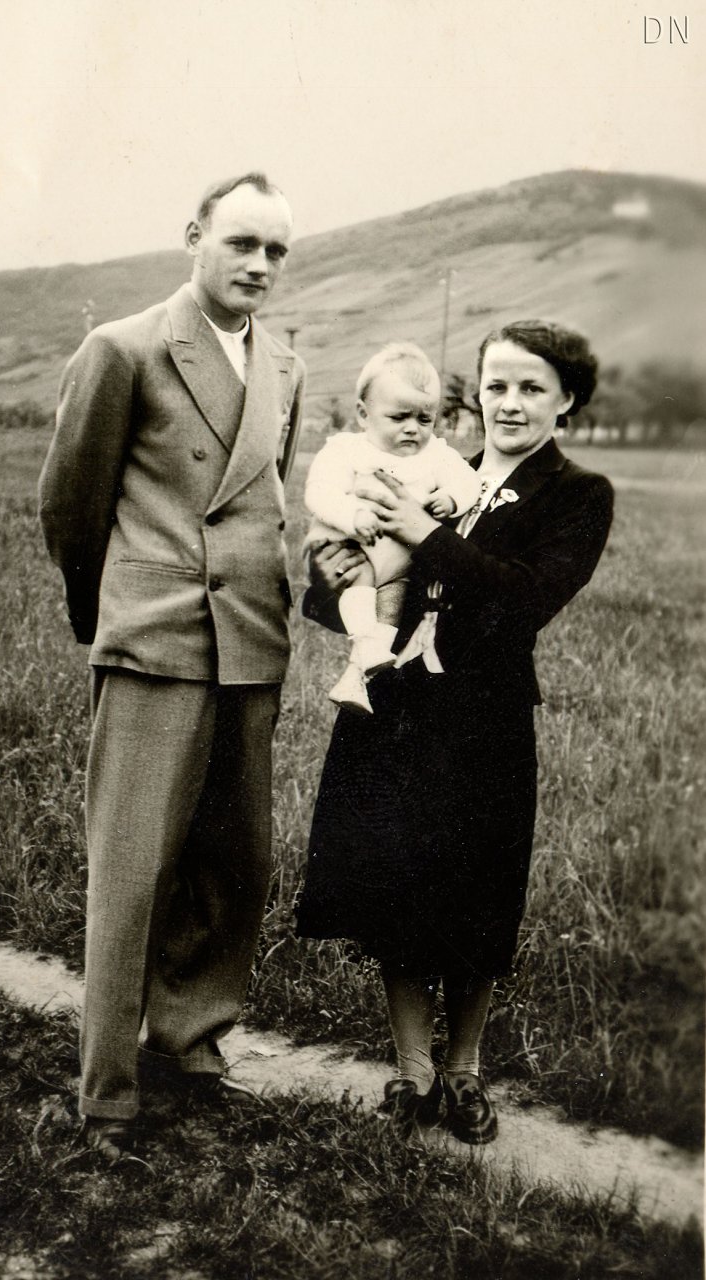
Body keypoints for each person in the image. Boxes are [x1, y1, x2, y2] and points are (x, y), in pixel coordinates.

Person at [38, 173, 305, 1162]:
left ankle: (189, 1040)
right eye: (242, 243)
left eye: (276, 251)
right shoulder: (125, 349)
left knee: (236, 861)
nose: (260, 265)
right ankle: (106, 1093)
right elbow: (71, 504)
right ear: (194, 235)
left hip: (250, 640)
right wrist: (110, 615)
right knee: (134, 870)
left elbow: (262, 503)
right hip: (157, 638)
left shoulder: (284, 363)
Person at [296, 320, 613, 1144]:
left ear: (567, 401)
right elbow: (341, 584)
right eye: (496, 385)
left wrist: (420, 530)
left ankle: (465, 1070)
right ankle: (412, 1071)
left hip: (485, 723)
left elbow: (524, 599)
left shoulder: (577, 493)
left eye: (532, 388)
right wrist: (332, 573)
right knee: (398, 886)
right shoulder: (432, 466)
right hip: (398, 708)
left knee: (479, 894)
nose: (509, 402)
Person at [304, 341, 481, 714]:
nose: (412, 429)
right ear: (363, 414)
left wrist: (451, 498)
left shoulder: (437, 454)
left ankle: (358, 675)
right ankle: (363, 646)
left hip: (397, 561)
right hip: (350, 546)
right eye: (399, 418)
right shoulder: (347, 450)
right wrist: (353, 515)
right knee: (361, 578)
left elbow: (468, 480)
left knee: (393, 600)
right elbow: (320, 491)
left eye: (424, 419)